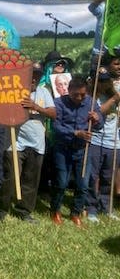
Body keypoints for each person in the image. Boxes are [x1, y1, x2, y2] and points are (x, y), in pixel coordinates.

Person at [0, 62, 55, 223]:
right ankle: (1, 209)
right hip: (15, 143)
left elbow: (53, 113)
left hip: (37, 144)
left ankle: (24, 210)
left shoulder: (44, 93)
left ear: (41, 77)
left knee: (31, 179)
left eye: (37, 75)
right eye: (31, 74)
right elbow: (0, 109)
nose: (34, 78)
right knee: (11, 178)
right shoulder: (13, 92)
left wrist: (35, 107)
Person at [50, 76, 103, 227]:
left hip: (83, 150)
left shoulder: (91, 103)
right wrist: (75, 132)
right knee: (61, 182)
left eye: (82, 95)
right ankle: (55, 211)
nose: (79, 98)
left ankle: (76, 213)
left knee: (83, 184)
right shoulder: (59, 103)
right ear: (69, 91)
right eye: (75, 95)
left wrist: (97, 119)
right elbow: (56, 127)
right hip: (63, 149)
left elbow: (100, 125)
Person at [86, 68, 120, 222]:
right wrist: (113, 99)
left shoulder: (114, 96)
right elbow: (98, 114)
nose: (103, 84)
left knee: (108, 177)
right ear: (94, 81)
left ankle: (106, 206)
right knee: (93, 176)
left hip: (113, 142)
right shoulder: (91, 97)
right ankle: (91, 208)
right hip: (96, 140)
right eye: (100, 81)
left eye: (106, 80)